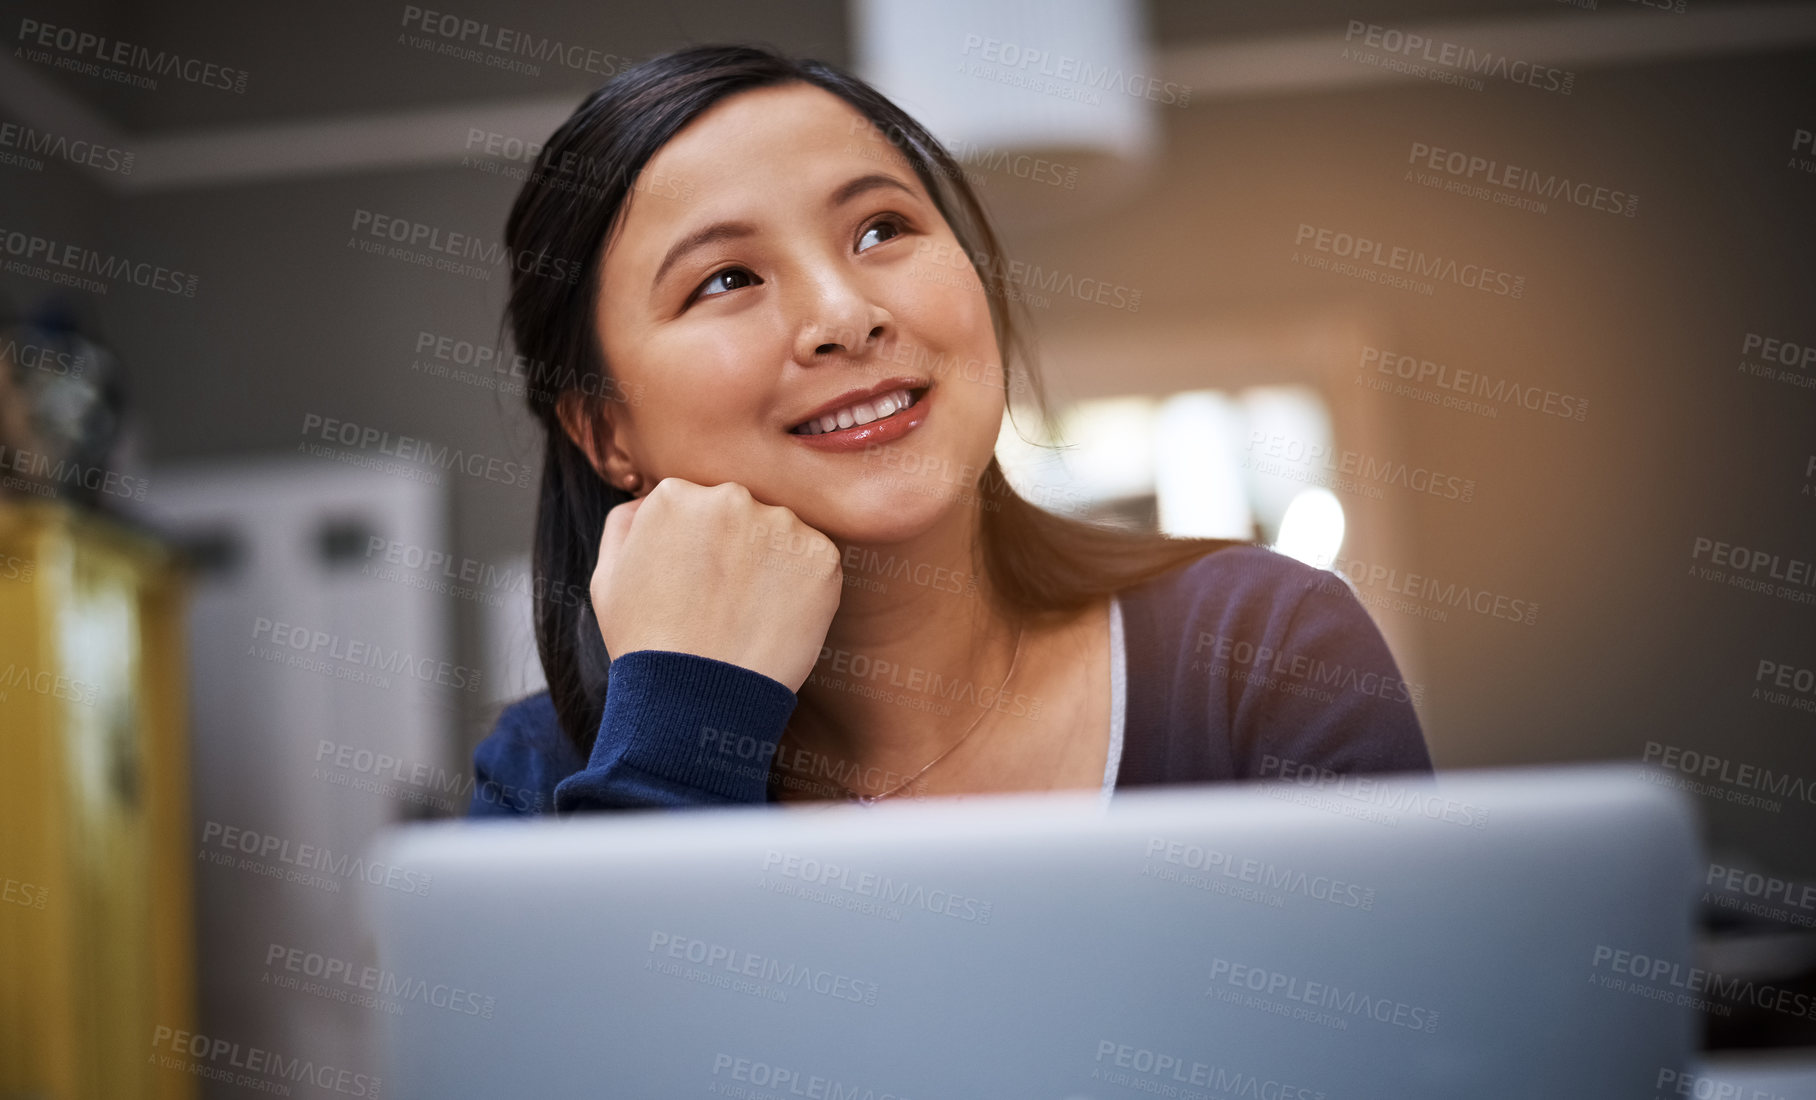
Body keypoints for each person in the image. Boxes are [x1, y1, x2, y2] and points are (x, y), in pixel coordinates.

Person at [466, 44, 1431, 817]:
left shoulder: (1258, 648)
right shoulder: (540, 771)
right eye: (727, 279)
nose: (846, 314)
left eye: (881, 229)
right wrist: (682, 733)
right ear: (604, 432)